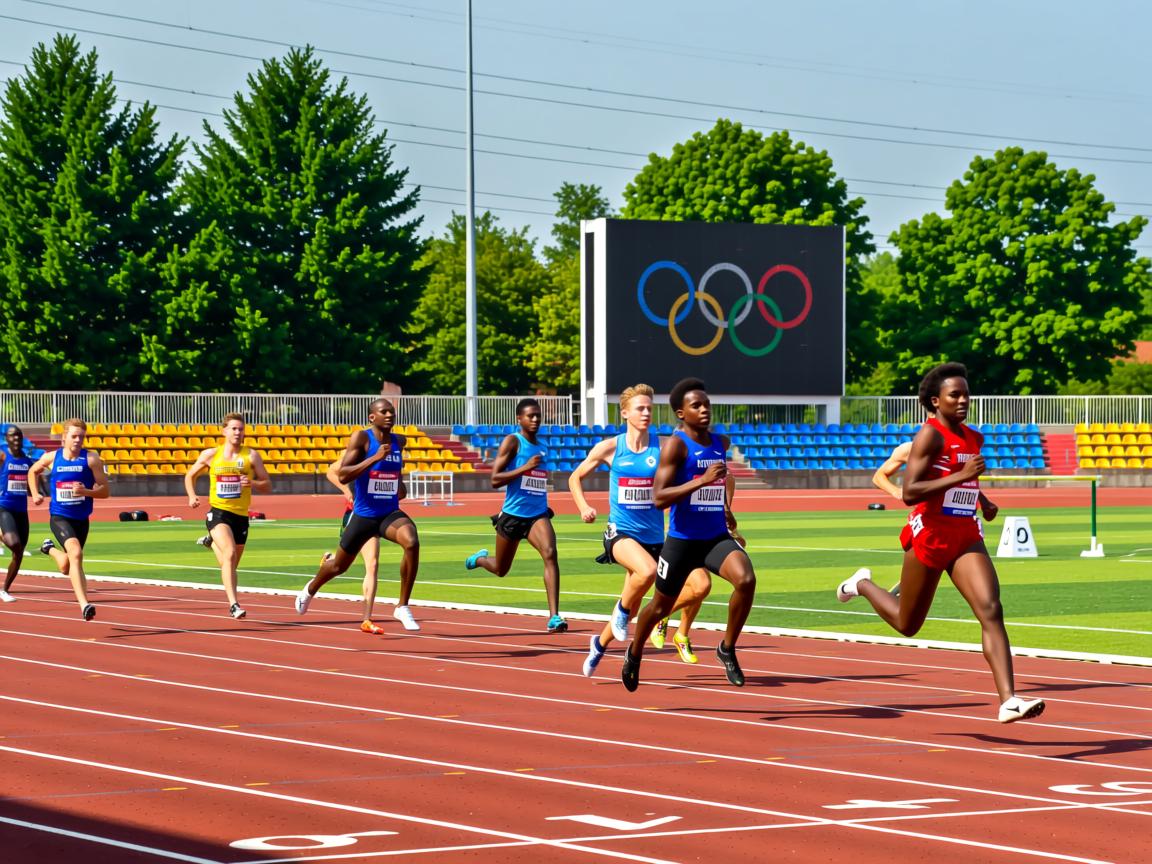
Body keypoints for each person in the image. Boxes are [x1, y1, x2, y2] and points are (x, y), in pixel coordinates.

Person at [837, 362, 1045, 724]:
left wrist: (982, 500)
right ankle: (861, 583)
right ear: (936, 401)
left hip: (965, 534)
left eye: (966, 394)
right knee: (907, 624)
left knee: (991, 609)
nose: (963, 400)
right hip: (930, 534)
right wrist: (962, 476)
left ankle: (1009, 700)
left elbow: (965, 481)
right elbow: (910, 492)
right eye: (955, 395)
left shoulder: (973, 437)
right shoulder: (928, 437)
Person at [621, 378, 757, 691]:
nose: (704, 409)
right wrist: (701, 480)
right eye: (696, 405)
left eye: (706, 403)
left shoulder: (720, 443)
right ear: (682, 413)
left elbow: (717, 485)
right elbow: (659, 497)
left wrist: (726, 510)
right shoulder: (676, 445)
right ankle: (635, 651)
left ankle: (726, 648)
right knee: (658, 607)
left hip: (715, 538)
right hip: (681, 542)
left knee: (746, 580)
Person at [568, 384, 711, 676]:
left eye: (649, 408)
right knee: (645, 573)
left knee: (701, 585)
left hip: (658, 538)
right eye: (640, 408)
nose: (646, 413)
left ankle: (599, 643)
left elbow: (689, 480)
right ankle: (621, 614)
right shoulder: (610, 448)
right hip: (621, 533)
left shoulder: (665, 447)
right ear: (624, 413)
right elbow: (575, 477)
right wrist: (583, 507)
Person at [294, 399, 420, 632]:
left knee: (411, 541)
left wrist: (398, 485)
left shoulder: (399, 441)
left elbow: (394, 470)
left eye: (392, 411)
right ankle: (310, 588)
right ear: (372, 417)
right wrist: (373, 458)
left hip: (388, 513)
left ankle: (402, 606)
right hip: (363, 515)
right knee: (338, 567)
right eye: (384, 412)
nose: (390, 415)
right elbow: (343, 475)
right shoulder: (361, 438)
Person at [465, 397, 566, 633]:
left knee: (550, 553)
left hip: (537, 515)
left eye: (538, 415)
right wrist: (525, 468)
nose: (535, 419)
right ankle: (480, 559)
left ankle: (555, 617)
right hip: (511, 515)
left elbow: (537, 481)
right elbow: (494, 479)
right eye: (530, 416)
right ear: (519, 418)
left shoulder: (544, 447)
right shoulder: (513, 442)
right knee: (501, 569)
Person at [185, 413, 271, 619]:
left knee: (230, 564)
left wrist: (253, 483)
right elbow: (190, 475)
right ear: (224, 431)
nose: (237, 432)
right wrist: (192, 496)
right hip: (218, 512)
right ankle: (234, 604)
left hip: (241, 515)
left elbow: (267, 485)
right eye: (233, 428)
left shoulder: (251, 456)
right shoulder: (211, 455)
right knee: (230, 554)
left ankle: (210, 542)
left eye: (241, 429)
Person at [27, 418, 110, 620]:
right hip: (59, 516)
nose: (77, 440)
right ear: (64, 437)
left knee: (67, 565)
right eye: (74, 436)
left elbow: (105, 492)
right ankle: (85, 605)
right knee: (76, 553)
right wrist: (36, 493)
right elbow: (33, 471)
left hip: (81, 519)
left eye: (81, 437)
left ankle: (49, 549)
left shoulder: (91, 459)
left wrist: (86, 491)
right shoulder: (52, 458)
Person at [320, 457, 387, 634]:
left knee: (372, 564)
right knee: (343, 565)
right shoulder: (360, 451)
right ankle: (330, 560)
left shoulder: (388, 455)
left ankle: (367, 619)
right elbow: (330, 471)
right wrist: (346, 491)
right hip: (354, 515)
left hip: (373, 517)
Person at [0, 426, 34, 602]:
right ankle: (2, 534)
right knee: (15, 544)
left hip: (22, 510)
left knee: (19, 552)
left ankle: (4, 589)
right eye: (13, 436)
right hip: (4, 507)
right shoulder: (3, 455)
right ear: (7, 438)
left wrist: (37, 493)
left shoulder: (27, 461)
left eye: (19, 435)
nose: (16, 438)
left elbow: (31, 482)